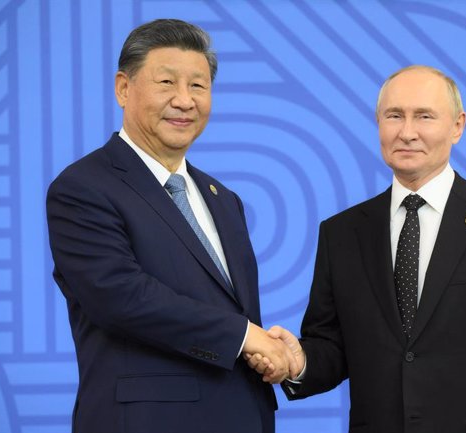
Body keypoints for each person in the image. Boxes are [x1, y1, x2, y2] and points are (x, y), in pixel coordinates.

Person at [249, 65, 466, 432]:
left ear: (458, 126)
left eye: (425, 116)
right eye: (394, 116)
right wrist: (298, 360)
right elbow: (334, 348)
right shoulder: (342, 232)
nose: (407, 132)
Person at [46, 19, 297, 433]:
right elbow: (120, 296)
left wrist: (265, 352)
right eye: (166, 82)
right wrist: (243, 336)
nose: (185, 100)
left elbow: (233, 312)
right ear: (123, 88)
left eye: (198, 86)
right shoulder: (83, 187)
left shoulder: (223, 198)